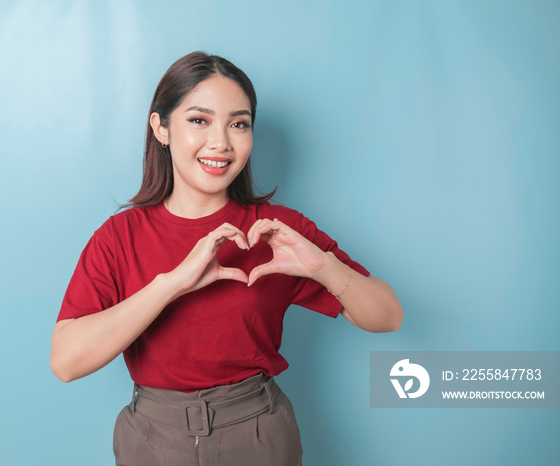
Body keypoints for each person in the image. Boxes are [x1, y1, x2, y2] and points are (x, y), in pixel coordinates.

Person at [50, 51, 403, 466]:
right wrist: (173, 284)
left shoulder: (276, 232)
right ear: (160, 128)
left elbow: (388, 316)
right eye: (199, 120)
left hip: (258, 435)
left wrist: (323, 267)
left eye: (239, 124)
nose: (221, 141)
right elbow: (66, 362)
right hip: (150, 439)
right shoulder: (118, 237)